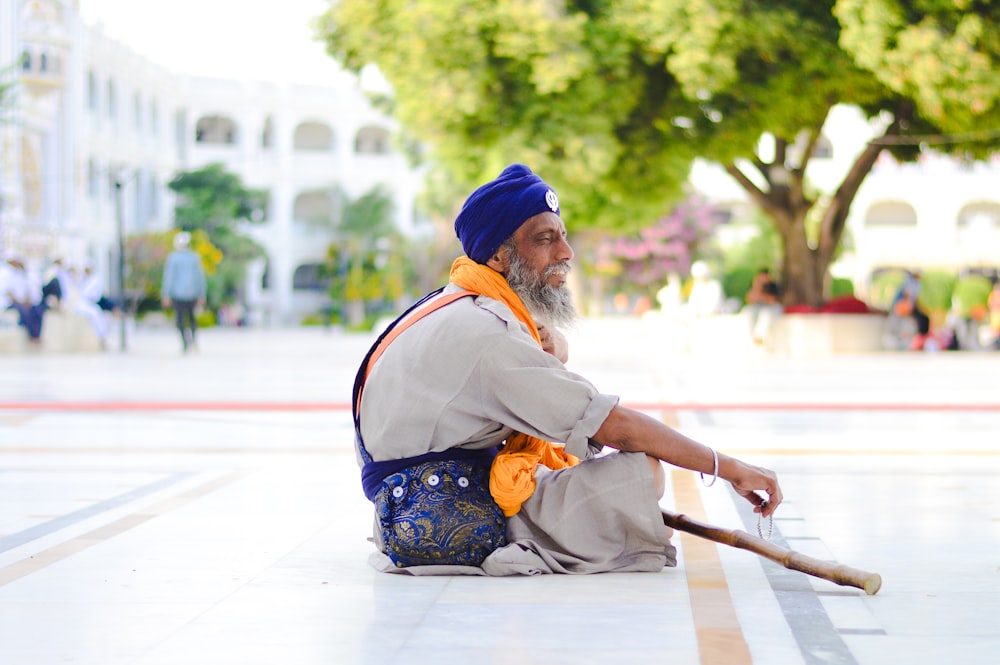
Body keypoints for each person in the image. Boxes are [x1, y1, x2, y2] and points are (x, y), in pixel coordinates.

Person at [353, 163, 782, 576]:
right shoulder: (489, 332)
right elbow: (614, 427)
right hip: (443, 518)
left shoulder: (452, 304)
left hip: (407, 507)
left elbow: (534, 370)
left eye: (563, 236)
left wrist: (555, 349)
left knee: (579, 466)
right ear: (500, 256)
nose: (566, 253)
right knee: (642, 472)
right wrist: (728, 469)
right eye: (545, 239)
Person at [161, 232, 206, 353]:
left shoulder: (173, 258)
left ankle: (185, 342)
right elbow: (200, 278)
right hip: (192, 293)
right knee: (191, 318)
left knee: (180, 319)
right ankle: (193, 340)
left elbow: (169, 278)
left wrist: (166, 294)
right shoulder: (194, 257)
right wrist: (202, 294)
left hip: (178, 294)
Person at [1, 253, 45, 343]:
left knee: (37, 311)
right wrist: (20, 302)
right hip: (10, 302)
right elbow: (8, 292)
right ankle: (33, 336)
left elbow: (26, 289)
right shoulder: (5, 272)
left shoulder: (20, 273)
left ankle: (36, 335)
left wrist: (26, 301)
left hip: (22, 301)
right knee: (24, 312)